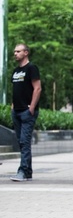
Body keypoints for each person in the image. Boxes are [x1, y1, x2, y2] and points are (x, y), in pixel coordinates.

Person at [10, 44, 41, 182]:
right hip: (16, 111)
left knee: (24, 141)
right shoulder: (16, 71)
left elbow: (37, 88)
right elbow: (16, 90)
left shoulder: (31, 68)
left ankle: (22, 171)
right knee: (21, 143)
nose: (15, 53)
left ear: (26, 52)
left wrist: (32, 108)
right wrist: (12, 107)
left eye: (18, 51)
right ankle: (27, 172)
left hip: (27, 111)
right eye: (14, 51)